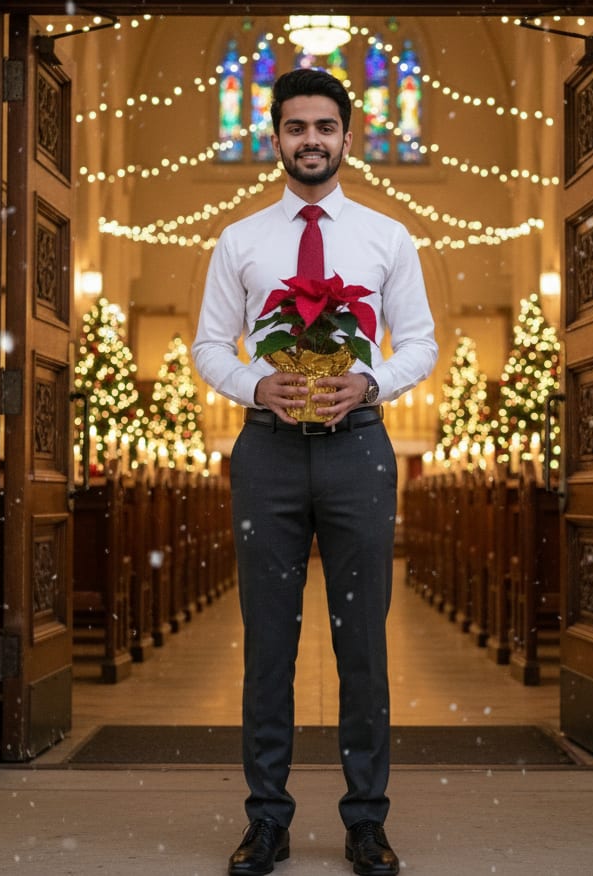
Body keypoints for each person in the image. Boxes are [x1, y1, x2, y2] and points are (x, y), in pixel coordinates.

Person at [192, 68, 438, 876]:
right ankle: (266, 820)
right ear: (276, 137)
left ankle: (366, 822)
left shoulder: (387, 236)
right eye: (296, 127)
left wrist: (371, 382)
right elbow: (208, 345)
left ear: (346, 137)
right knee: (268, 644)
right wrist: (252, 384)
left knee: (361, 644)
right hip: (266, 452)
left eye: (324, 127)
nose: (310, 140)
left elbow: (421, 343)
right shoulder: (240, 240)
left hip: (357, 450)